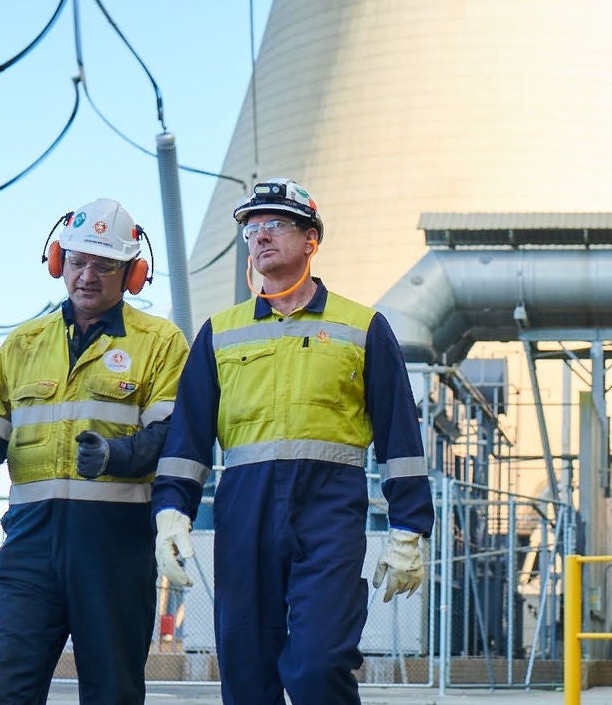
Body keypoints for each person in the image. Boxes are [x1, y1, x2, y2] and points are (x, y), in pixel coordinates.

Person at [151, 178, 434, 704]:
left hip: (328, 513)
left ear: (311, 240)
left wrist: (408, 529)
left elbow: (400, 436)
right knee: (246, 671)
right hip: (244, 516)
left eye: (276, 224)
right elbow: (188, 437)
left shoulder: (362, 327)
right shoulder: (220, 332)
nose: (260, 237)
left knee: (318, 665)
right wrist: (171, 511)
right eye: (252, 229)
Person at [0, 198, 188, 705]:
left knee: (112, 692)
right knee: (9, 682)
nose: (88, 275)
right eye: (78, 261)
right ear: (59, 262)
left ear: (132, 273)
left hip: (114, 550)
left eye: (104, 265)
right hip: (29, 546)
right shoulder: (23, 342)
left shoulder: (161, 343)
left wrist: (115, 457)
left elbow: (172, 434)